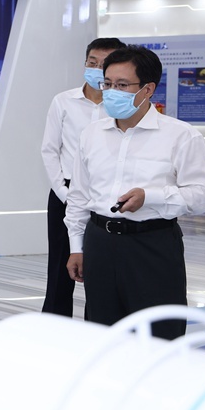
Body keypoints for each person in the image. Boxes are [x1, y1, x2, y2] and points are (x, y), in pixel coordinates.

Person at [65, 45, 205, 340]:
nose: (112, 92)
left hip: (152, 245)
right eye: (108, 84)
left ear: (147, 89)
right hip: (99, 244)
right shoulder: (91, 134)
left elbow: (204, 194)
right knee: (104, 333)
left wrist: (152, 197)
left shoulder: (180, 135)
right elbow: (79, 196)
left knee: (160, 335)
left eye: (122, 85)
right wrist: (76, 246)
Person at [40, 38, 125, 317]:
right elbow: (50, 150)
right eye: (92, 62)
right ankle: (55, 326)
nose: (97, 69)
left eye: (105, 64)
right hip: (66, 191)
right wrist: (64, 193)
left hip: (107, 196)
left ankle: (97, 326)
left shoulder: (120, 106)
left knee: (102, 269)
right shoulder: (63, 101)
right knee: (60, 266)